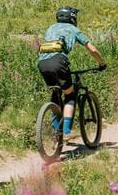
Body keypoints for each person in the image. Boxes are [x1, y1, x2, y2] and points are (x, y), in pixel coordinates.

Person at [38, 7, 106, 141]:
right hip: (59, 61)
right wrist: (101, 63)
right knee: (70, 95)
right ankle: (66, 131)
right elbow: (92, 49)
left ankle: (55, 131)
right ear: (73, 18)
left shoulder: (51, 28)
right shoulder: (74, 29)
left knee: (56, 93)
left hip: (42, 63)